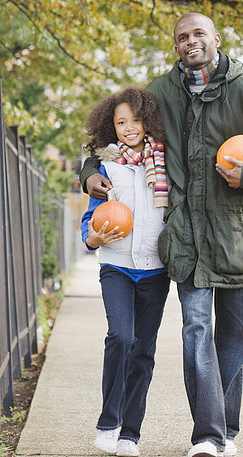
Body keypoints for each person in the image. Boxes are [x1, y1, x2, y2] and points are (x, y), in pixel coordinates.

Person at [80, 13, 243, 457]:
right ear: (176, 46)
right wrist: (90, 171)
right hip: (186, 237)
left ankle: (226, 427)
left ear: (217, 39)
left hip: (241, 235)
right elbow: (114, 133)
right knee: (196, 328)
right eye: (182, 37)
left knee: (238, 335)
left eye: (198, 34)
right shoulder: (160, 94)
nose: (191, 42)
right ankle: (208, 436)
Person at [81, 87, 170, 457]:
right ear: (110, 126)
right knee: (120, 337)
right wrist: (93, 239)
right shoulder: (106, 168)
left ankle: (130, 434)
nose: (129, 128)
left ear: (148, 121)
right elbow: (90, 220)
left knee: (143, 351)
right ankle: (108, 422)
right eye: (121, 122)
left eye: (135, 120)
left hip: (155, 270)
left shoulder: (166, 162)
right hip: (116, 265)